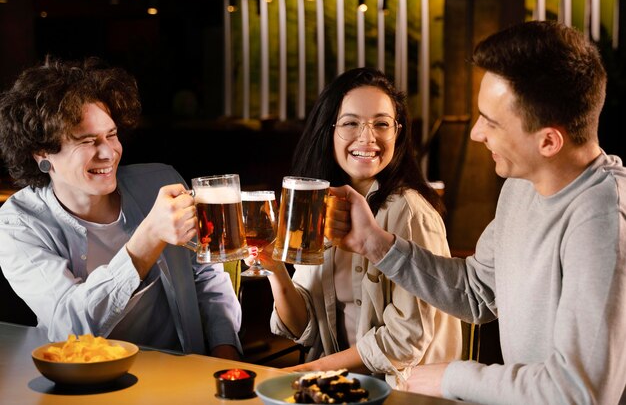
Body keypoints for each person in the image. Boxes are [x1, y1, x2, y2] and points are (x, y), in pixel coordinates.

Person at [325, 21, 626, 404]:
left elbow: (579, 393)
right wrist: (378, 245)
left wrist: (452, 378)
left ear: (548, 140)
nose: (476, 133)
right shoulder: (522, 183)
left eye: (492, 122)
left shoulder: (602, 222)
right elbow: (476, 292)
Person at [0, 57, 242, 360]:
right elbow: (69, 325)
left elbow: (206, 277)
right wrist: (147, 240)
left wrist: (225, 350)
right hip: (86, 386)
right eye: (87, 140)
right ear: (41, 153)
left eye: (111, 135)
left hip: (182, 375)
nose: (108, 153)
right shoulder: (18, 224)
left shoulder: (161, 180)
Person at [251, 67, 463, 388]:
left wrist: (308, 372)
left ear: (398, 134)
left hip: (408, 393)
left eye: (381, 124)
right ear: (329, 130)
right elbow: (303, 325)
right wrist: (274, 268)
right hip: (341, 388)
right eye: (351, 123)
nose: (367, 137)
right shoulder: (319, 205)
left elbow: (405, 341)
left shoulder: (411, 212)